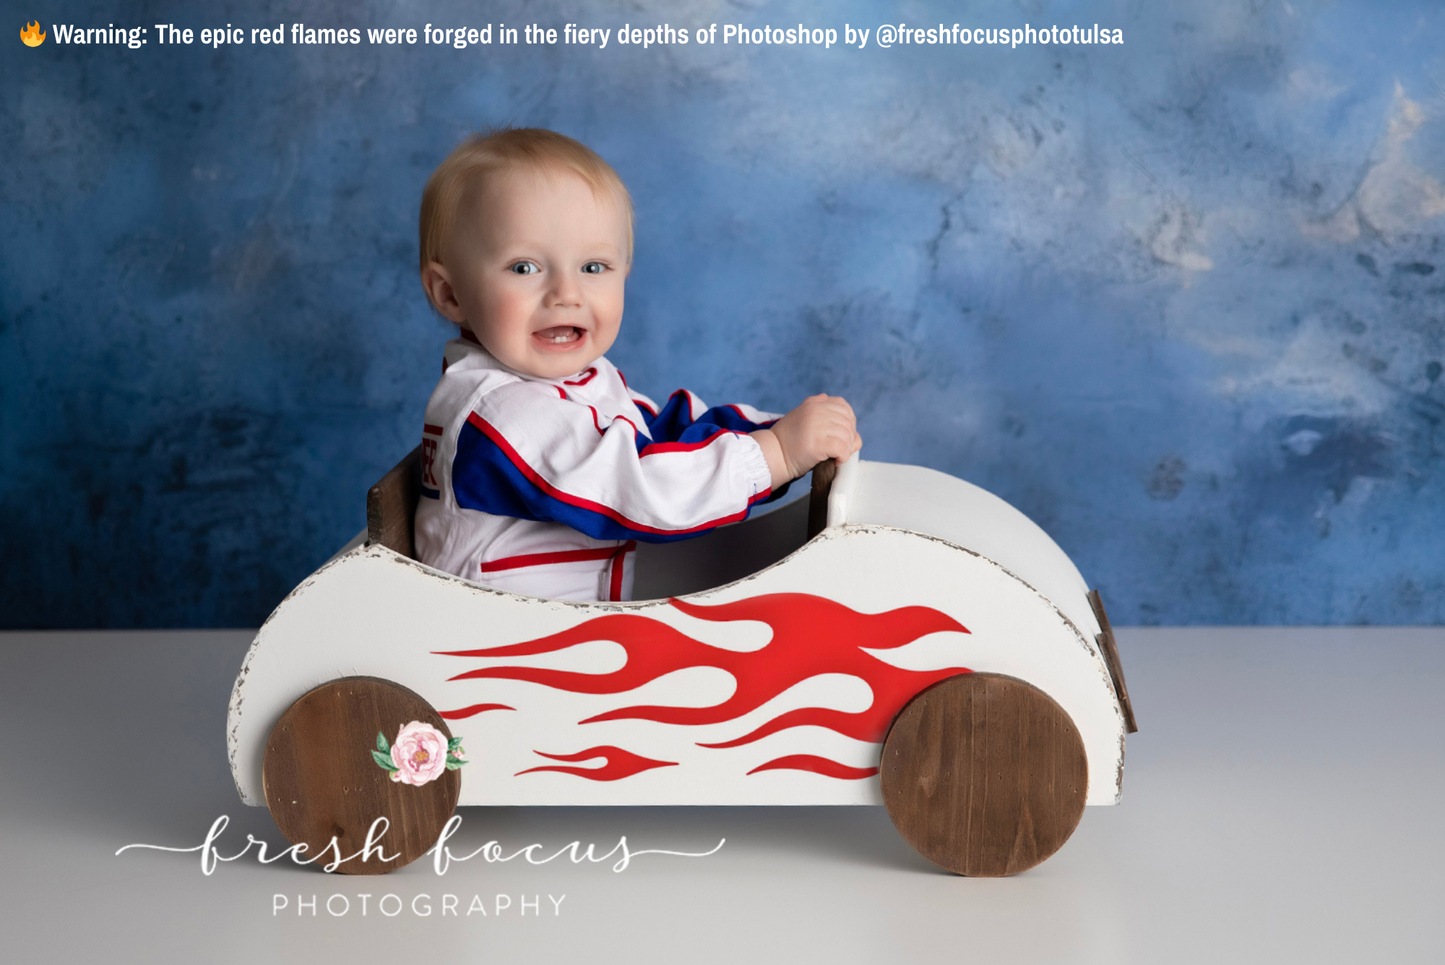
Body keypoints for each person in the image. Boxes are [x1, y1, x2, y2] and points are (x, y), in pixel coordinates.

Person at [414, 128, 861, 601]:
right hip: (504, 644)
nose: (566, 294)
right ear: (451, 293)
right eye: (524, 268)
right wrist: (778, 455)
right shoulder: (503, 415)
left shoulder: (569, 380)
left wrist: (775, 429)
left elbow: (661, 430)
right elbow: (644, 491)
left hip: (575, 622)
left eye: (593, 267)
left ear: (624, 272)